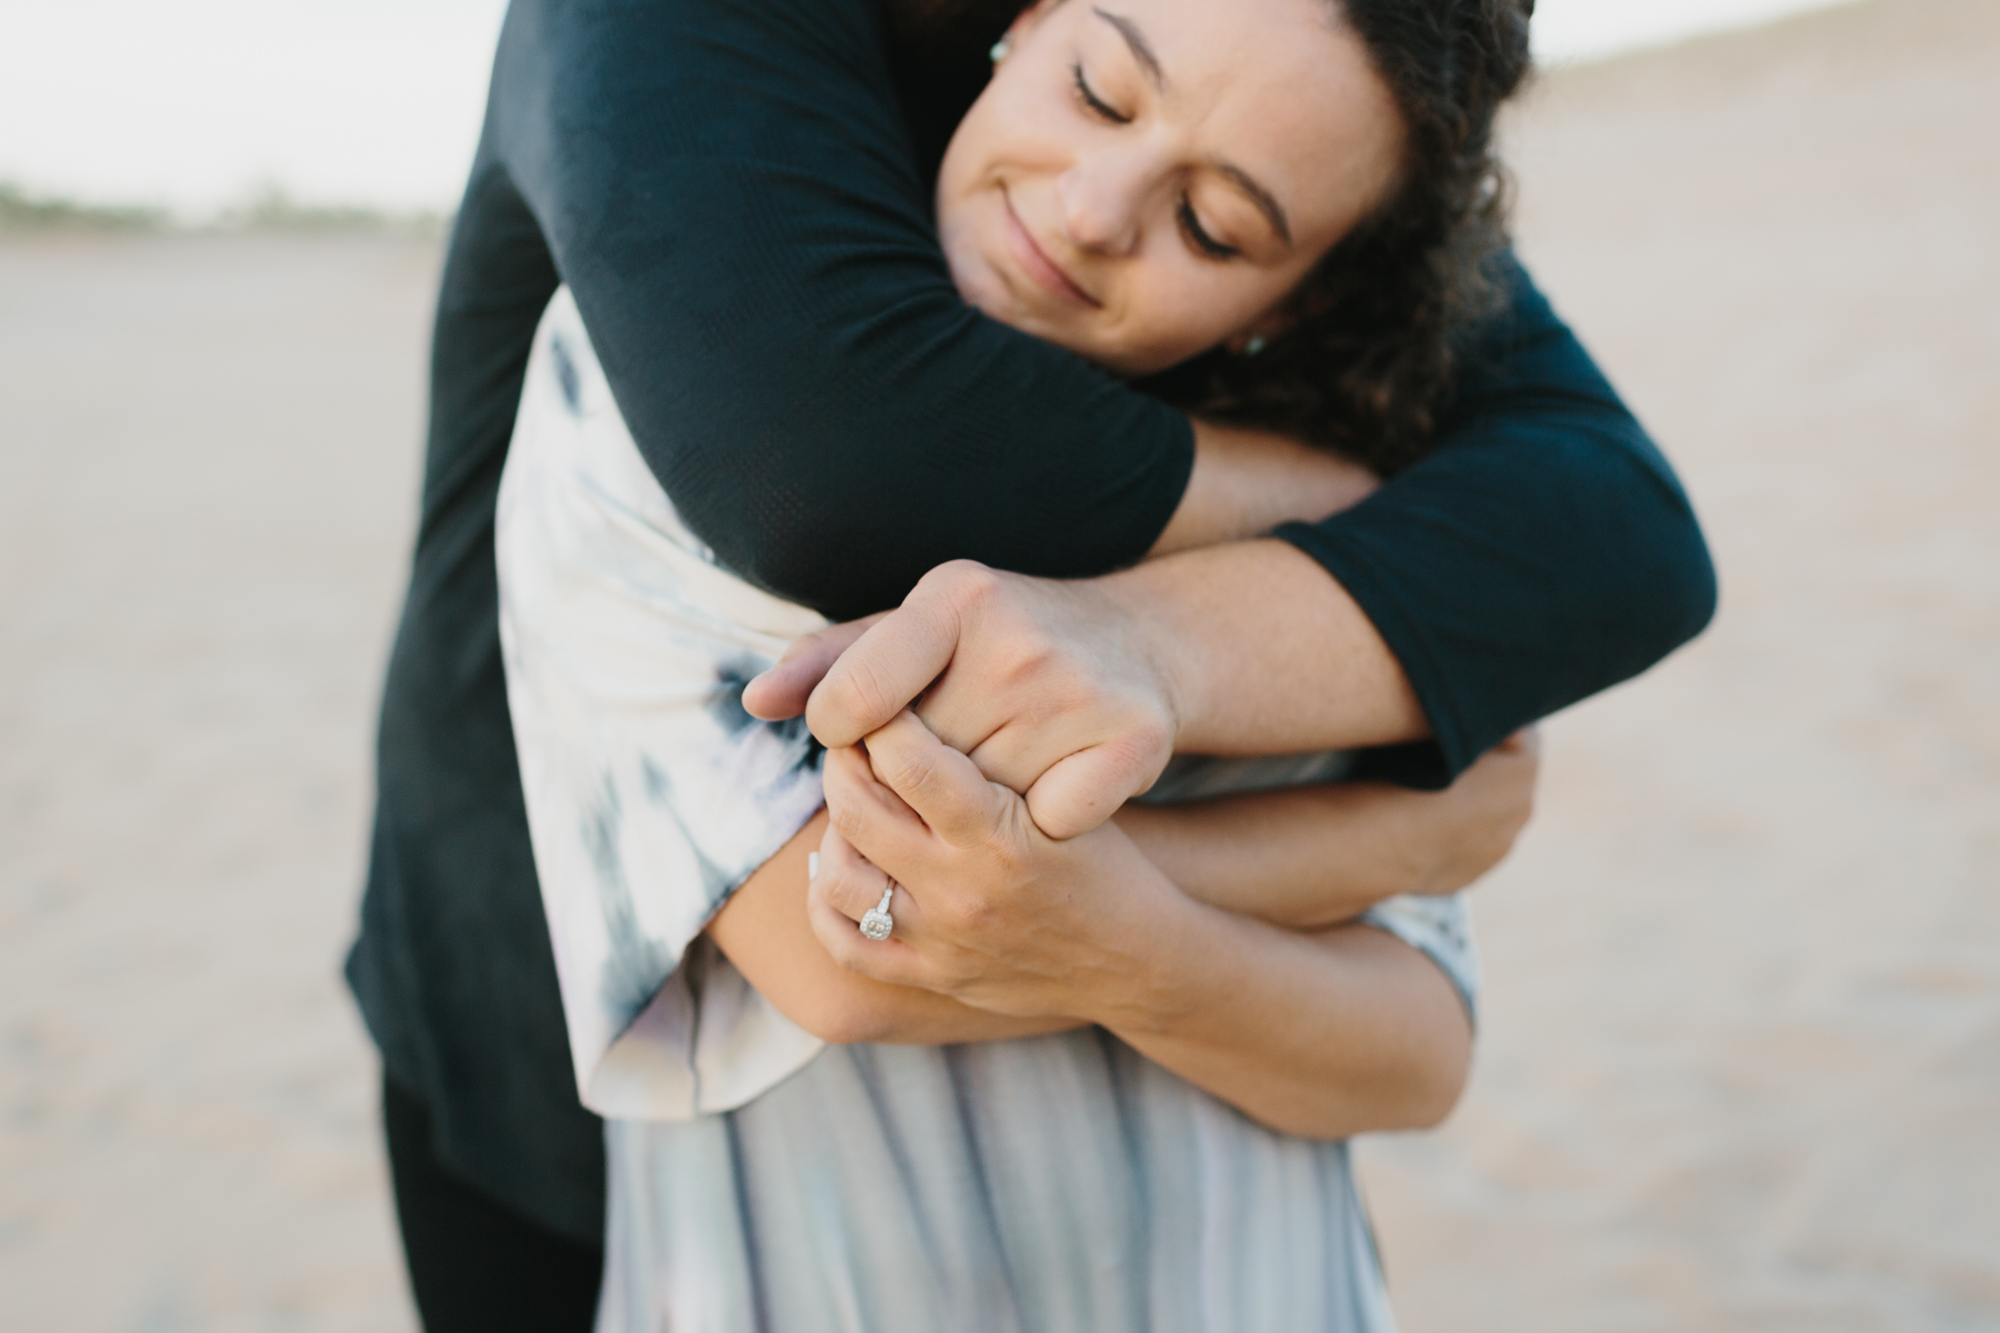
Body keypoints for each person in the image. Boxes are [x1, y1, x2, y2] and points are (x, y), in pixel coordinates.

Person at [347, 0, 1715, 1327]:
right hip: (555, 1062)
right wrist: (1359, 843)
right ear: (1031, 23)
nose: (1091, 210)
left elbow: (1419, 1042)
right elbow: (851, 934)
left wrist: (1130, 791)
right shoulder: (650, 364)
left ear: (1289, 303)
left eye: (1214, 225)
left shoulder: (1304, 244)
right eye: (1098, 91)